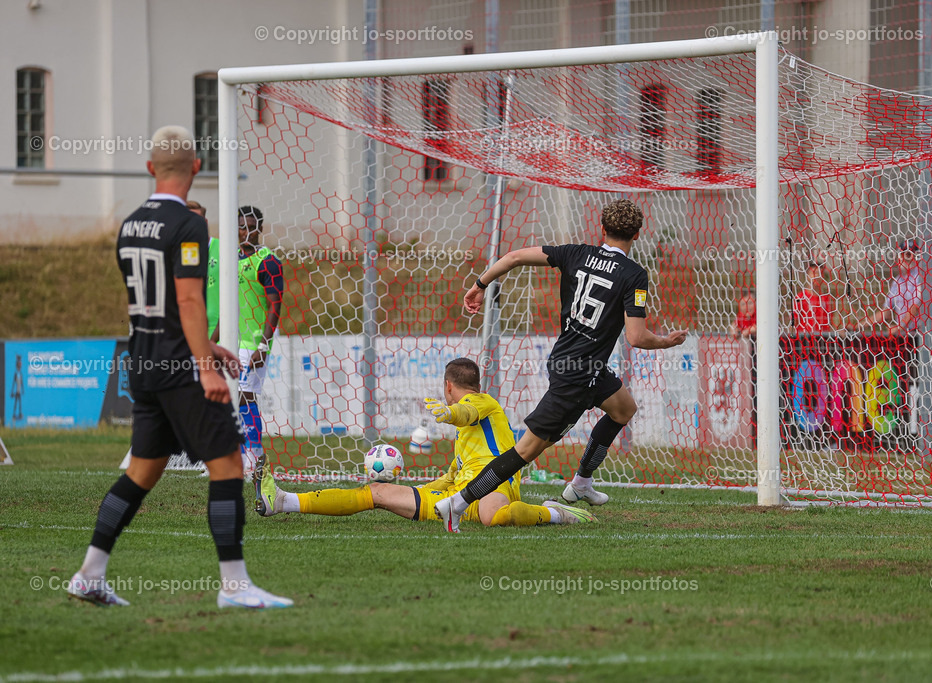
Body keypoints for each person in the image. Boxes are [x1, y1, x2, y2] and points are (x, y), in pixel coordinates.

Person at [67, 126, 291, 609]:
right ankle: (234, 586)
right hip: (179, 366)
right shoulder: (190, 227)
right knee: (229, 465)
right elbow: (189, 299)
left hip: (143, 361)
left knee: (142, 472)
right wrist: (206, 364)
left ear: (150, 168)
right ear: (196, 168)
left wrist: (209, 344)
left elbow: (158, 304)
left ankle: (90, 573)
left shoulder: (128, 224)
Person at [434, 199, 687, 532]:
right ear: (637, 234)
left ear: (602, 229)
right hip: (577, 375)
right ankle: (458, 502)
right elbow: (637, 337)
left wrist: (480, 285)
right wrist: (667, 341)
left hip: (577, 363)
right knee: (525, 450)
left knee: (624, 409)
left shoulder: (577, 253)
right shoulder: (634, 275)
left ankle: (581, 483)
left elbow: (513, 257)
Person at [253, 358, 595, 526]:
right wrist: (428, 490)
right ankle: (283, 501)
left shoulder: (485, 403)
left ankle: (557, 513)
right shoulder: (465, 435)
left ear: (448, 386)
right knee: (376, 493)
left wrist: (448, 414)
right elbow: (451, 473)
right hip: (458, 493)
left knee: (498, 518)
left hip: (494, 487)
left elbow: (465, 412)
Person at [236, 206, 284, 474]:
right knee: (231, 399)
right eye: (242, 226)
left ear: (261, 229)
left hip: (253, 342)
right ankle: (239, 456)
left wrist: (263, 345)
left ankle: (254, 459)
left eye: (252, 227)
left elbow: (275, 305)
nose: (247, 232)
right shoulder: (232, 260)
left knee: (245, 396)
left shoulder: (268, 261)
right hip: (231, 341)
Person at [857, 239, 932, 334]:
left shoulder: (922, 276)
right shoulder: (897, 281)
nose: (906, 258)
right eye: (903, 254)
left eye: (910, 255)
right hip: (911, 332)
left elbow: (916, 306)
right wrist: (860, 325)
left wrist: (899, 327)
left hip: (930, 330)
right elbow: (886, 311)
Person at [186, 200, 219, 340]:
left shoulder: (225, 249)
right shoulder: (184, 253)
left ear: (204, 222)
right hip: (191, 331)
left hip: (222, 331)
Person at [793, 261, 835, 333]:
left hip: (824, 339)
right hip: (805, 339)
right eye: (814, 273)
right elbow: (794, 323)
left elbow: (831, 323)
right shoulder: (800, 297)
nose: (817, 276)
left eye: (819, 273)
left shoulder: (827, 298)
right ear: (807, 276)